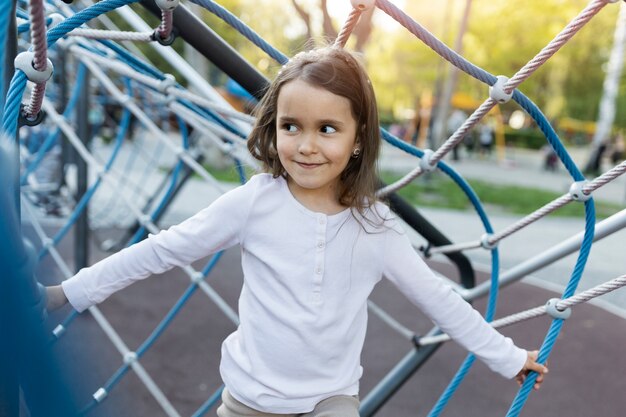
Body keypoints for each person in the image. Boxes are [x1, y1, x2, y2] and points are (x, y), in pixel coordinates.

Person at [45, 47, 547, 417]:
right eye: (292, 126)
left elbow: (438, 298)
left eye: (327, 129)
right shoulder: (254, 203)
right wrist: (68, 291)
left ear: (357, 140)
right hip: (249, 400)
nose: (306, 145)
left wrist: (507, 357)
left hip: (329, 401)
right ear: (275, 127)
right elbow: (162, 251)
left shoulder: (375, 228)